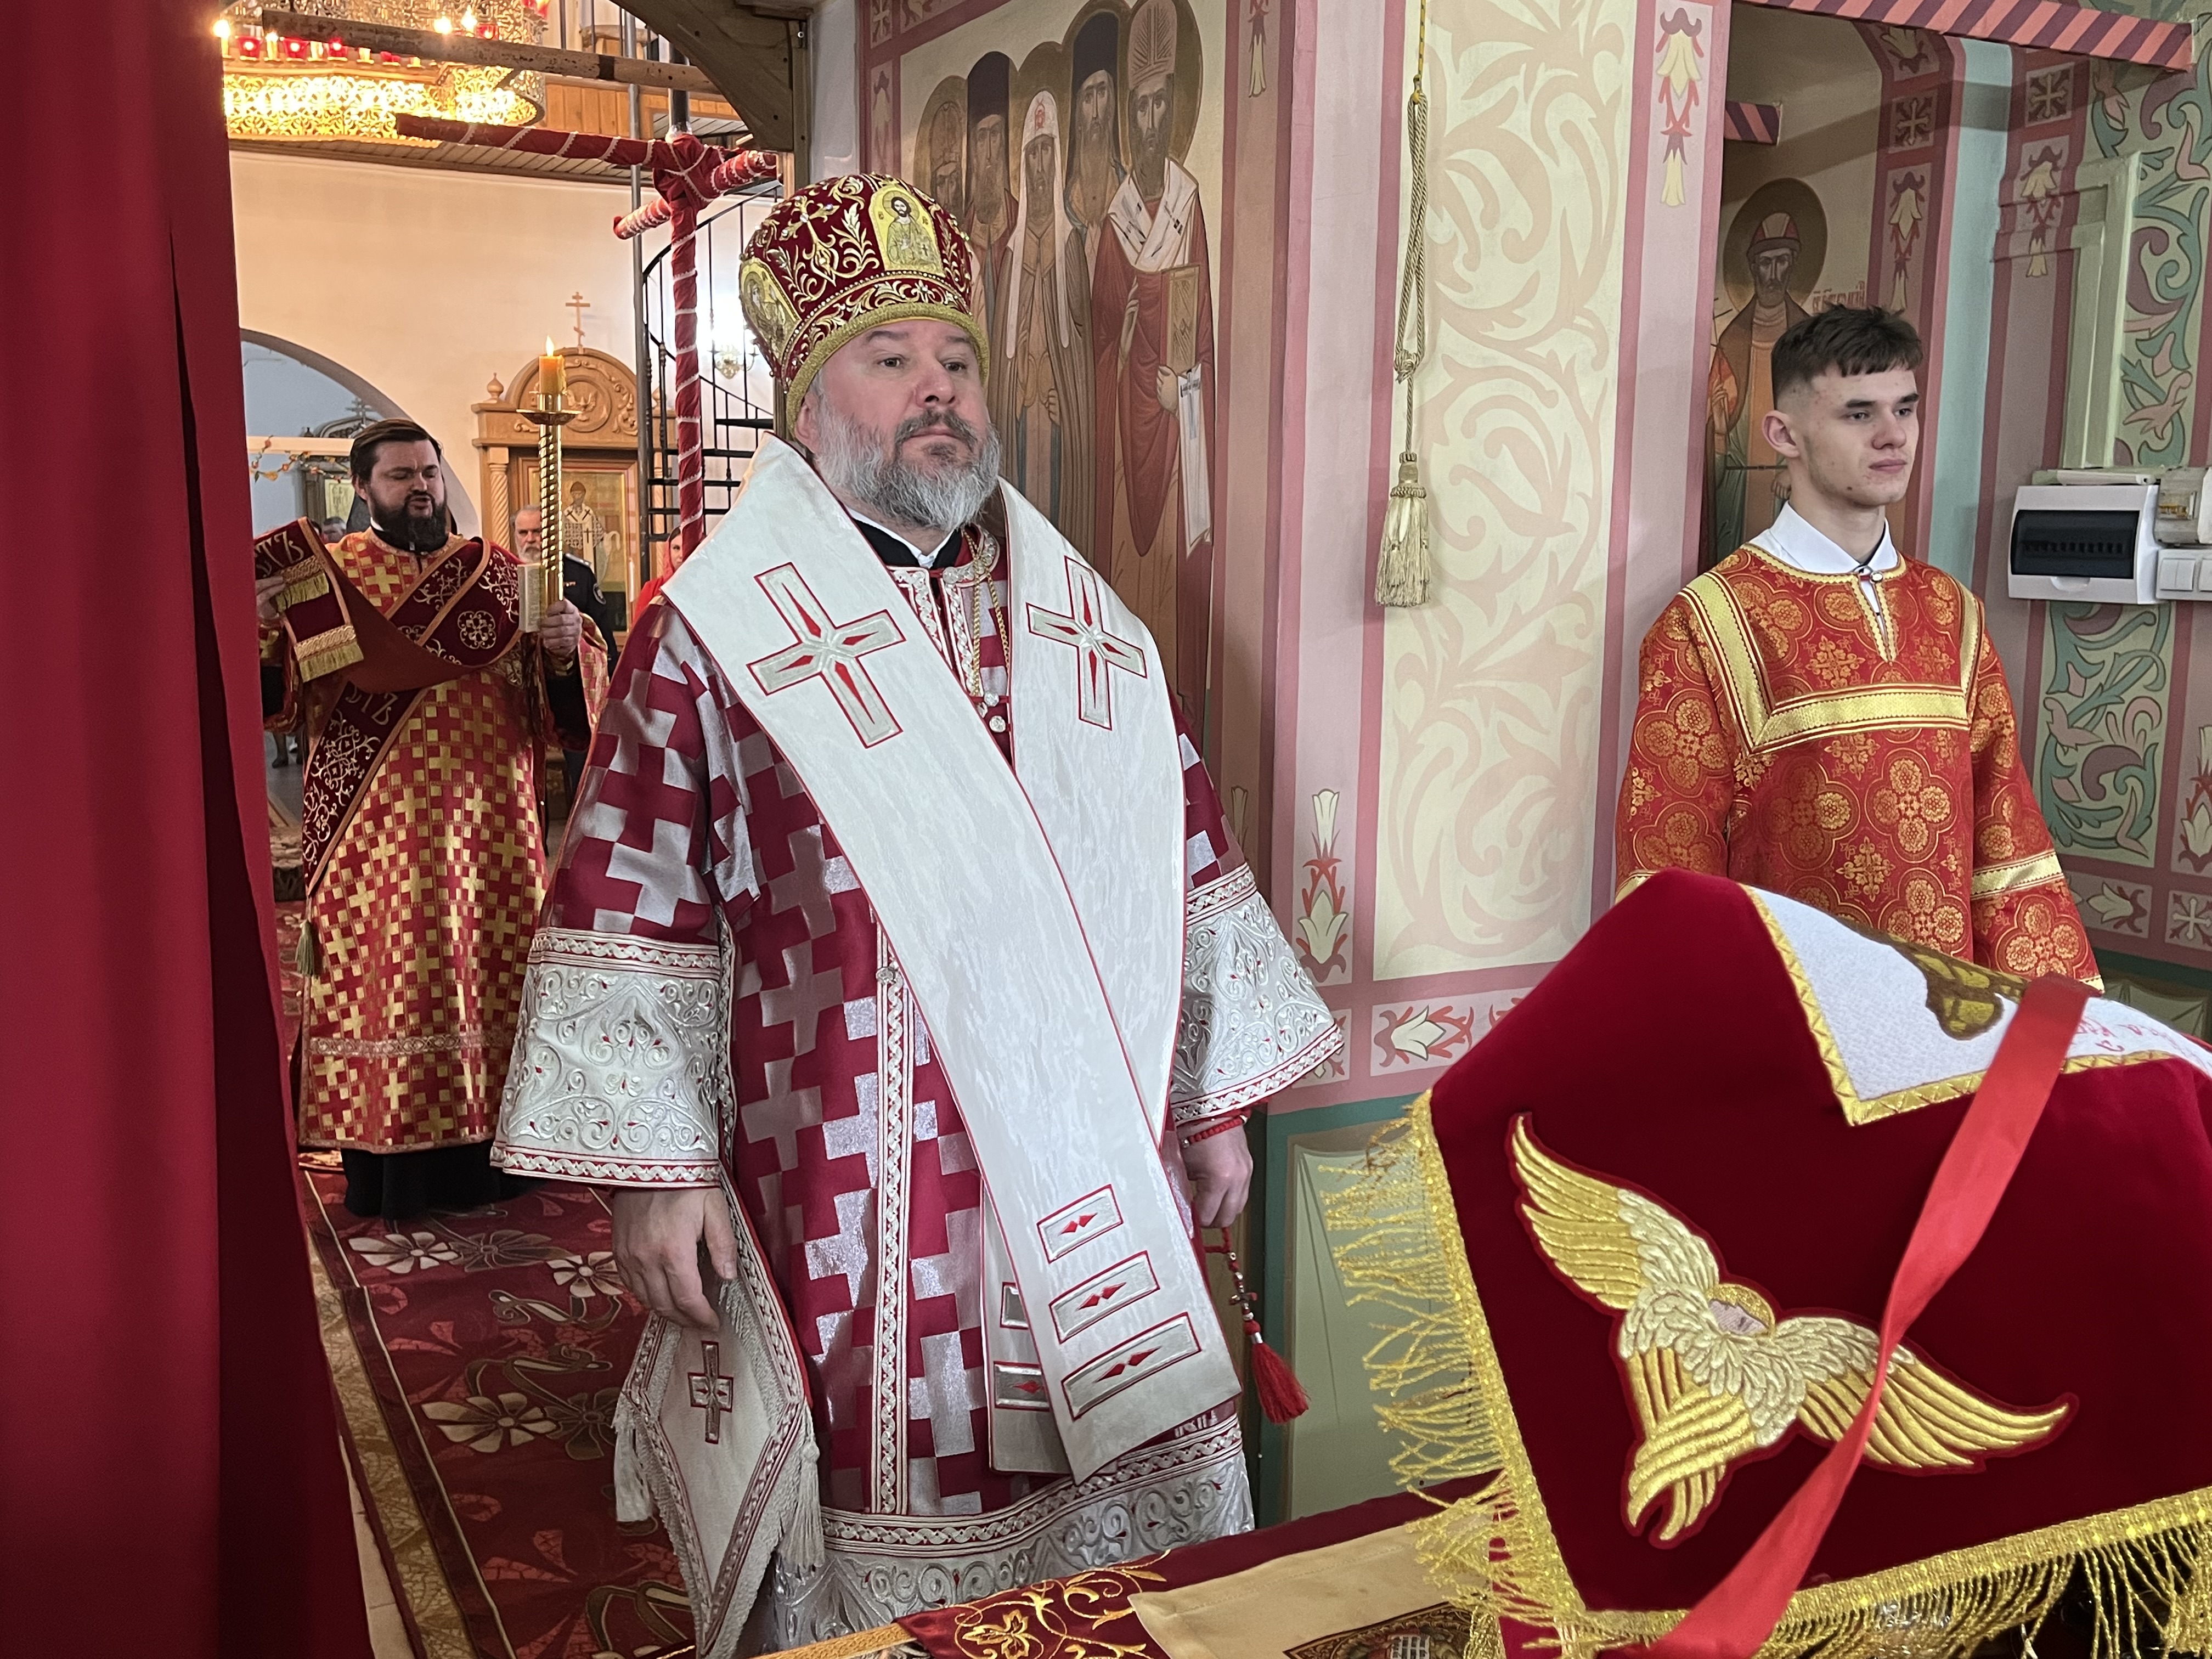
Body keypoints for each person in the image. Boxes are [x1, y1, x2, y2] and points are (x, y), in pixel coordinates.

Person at [493, 174, 1339, 1646]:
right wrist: (653, 1173)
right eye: (889, 361)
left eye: (955, 360)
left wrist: (1210, 1106)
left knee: (1117, 1552)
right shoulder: (714, 628)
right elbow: (636, 892)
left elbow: (1181, 859)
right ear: (807, 402)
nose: (937, 388)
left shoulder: (1082, 623)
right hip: (847, 1167)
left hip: (1087, 1156)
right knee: (884, 1483)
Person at [1616, 306, 2097, 983]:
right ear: (1784, 434)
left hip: (1946, 1012)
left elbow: (2003, 828)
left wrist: (2049, 1020)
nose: (1893, 435)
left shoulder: (1951, 611)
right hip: (1798, 1009)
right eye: (1859, 413)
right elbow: (1672, 859)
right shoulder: (1712, 621)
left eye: (1906, 409)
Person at [257, 420, 608, 1218]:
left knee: (493, 974)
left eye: (429, 473)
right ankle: (388, 1164)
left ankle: (503, 1155)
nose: (420, 488)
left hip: (491, 826)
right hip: (372, 826)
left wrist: (565, 648)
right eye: (400, 477)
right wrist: (264, 628)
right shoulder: (326, 581)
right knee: (387, 980)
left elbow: (567, 709)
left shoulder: (503, 578)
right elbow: (276, 706)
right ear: (363, 488)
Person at [1090, 0, 1218, 705]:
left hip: (1174, 431)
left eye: (1159, 104)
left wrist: (1186, 395)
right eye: (1137, 107)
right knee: (1126, 574)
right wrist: (1122, 347)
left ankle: (1173, 706)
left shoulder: (1187, 206)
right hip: (1123, 427)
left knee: (1169, 578)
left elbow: (1205, 343)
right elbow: (1101, 336)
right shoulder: (1115, 221)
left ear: (1174, 109)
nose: (1148, 120)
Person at [990, 89, 1094, 555]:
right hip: (1020, 410)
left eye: (1046, 152)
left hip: (1055, 411)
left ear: (1057, 160)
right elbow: (1003, 349)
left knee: (1055, 514)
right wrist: (1012, 392)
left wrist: (1066, 397)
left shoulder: (1070, 245)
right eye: (1032, 154)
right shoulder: (1011, 253)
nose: (1038, 166)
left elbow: (1080, 346)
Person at [1707, 213, 1812, 566]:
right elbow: (1713, 437)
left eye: (1782, 261)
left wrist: (1797, 469)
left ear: (1793, 264)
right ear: (1753, 268)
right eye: (1766, 263)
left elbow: (1828, 419)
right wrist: (1719, 434)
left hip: (1787, 490)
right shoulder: (1732, 342)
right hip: (1736, 493)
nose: (1774, 274)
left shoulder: (1810, 341)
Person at [515, 502, 617, 803]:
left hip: (570, 692)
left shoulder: (578, 573)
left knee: (583, 771)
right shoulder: (506, 573)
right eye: (523, 533)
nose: (531, 539)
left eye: (537, 532)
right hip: (521, 690)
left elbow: (602, 638)